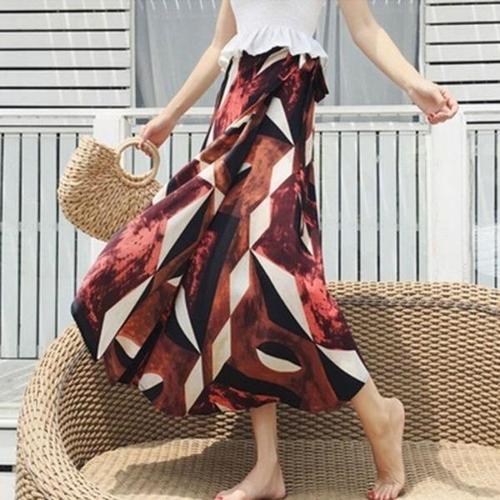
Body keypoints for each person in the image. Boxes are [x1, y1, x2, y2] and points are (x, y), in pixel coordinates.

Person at [71, 1, 459, 499]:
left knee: (285, 275)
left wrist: (416, 85)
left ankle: (379, 413)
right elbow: (220, 45)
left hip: (284, 111)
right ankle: (268, 467)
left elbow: (366, 28)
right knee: (234, 283)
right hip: (234, 112)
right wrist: (167, 118)